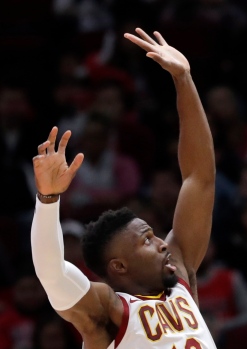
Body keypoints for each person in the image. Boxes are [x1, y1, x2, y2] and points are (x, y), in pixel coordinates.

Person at [30, 28, 217, 349]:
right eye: (146, 240)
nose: (161, 243)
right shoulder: (107, 310)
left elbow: (198, 179)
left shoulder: (180, 278)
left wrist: (184, 80)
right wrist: (48, 199)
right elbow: (53, 275)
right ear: (119, 266)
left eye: (153, 235)